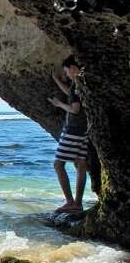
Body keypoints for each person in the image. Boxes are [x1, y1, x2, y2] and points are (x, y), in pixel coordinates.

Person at [49, 55, 88, 213]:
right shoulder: (82, 83)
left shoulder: (76, 86)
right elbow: (71, 93)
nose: (65, 75)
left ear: (72, 68)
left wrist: (59, 104)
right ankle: (77, 203)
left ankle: (70, 202)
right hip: (85, 129)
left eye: (66, 72)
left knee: (58, 165)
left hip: (73, 130)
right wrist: (57, 80)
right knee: (81, 164)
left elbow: (74, 109)